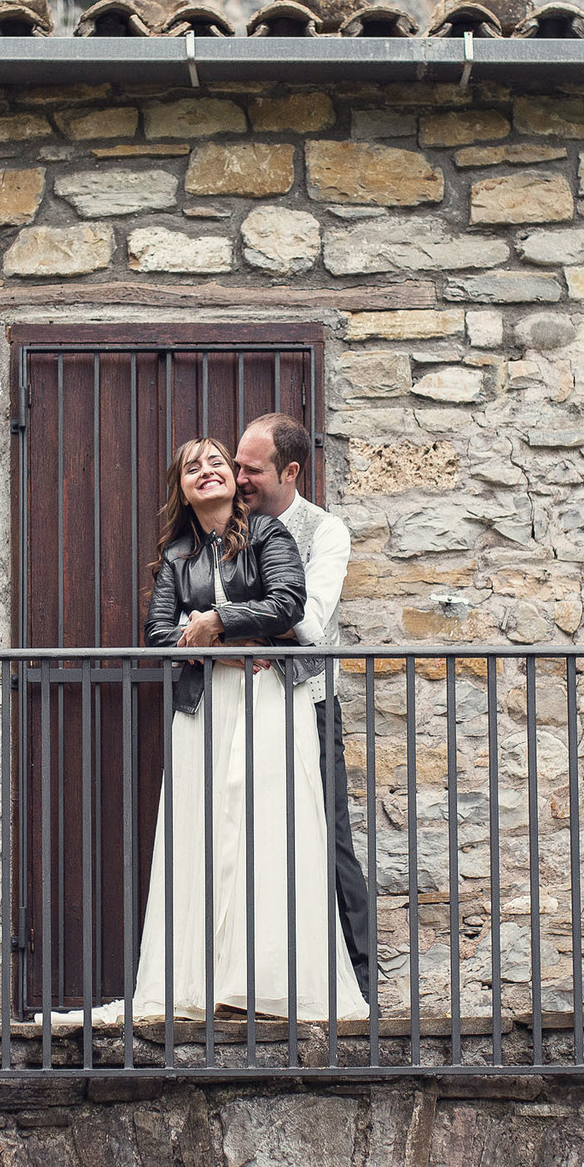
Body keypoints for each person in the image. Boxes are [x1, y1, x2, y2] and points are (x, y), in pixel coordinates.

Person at [118, 436, 369, 1023]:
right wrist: (211, 648)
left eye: (218, 462)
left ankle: (274, 983)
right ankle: (206, 978)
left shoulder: (271, 534)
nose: (209, 471)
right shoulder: (177, 555)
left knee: (274, 832)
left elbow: (290, 604)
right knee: (207, 833)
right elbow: (157, 635)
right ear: (180, 488)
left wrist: (215, 622)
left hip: (270, 697)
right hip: (207, 703)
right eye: (192, 466)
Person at [234, 413, 374, 998]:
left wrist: (237, 629)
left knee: (327, 837)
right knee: (240, 842)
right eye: (236, 465)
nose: (239, 477)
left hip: (308, 702)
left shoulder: (325, 530)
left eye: (252, 469)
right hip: (236, 706)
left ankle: (360, 991)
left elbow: (311, 623)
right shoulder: (227, 527)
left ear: (290, 471)